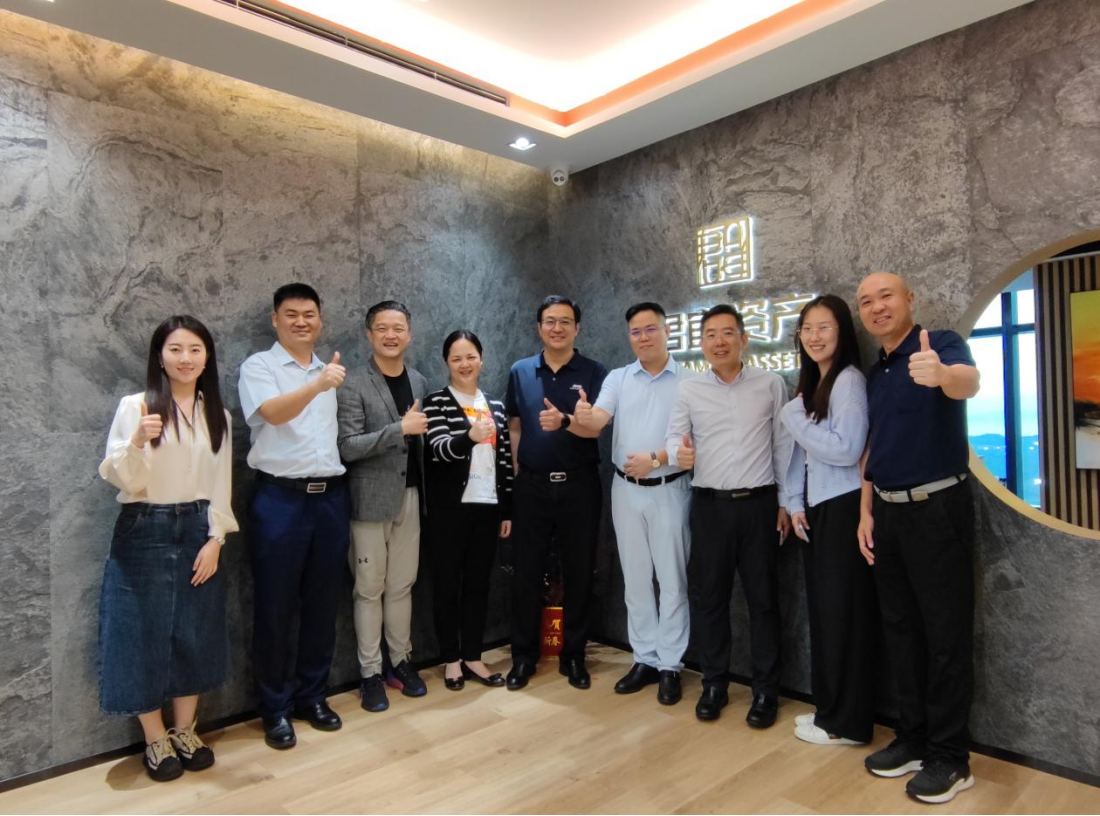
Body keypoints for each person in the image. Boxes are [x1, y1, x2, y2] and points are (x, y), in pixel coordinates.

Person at [855, 272, 981, 804]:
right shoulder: (876, 370)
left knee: (945, 636)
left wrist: (943, 374)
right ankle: (912, 737)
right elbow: (874, 444)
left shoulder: (940, 344)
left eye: (886, 296)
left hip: (938, 510)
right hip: (887, 513)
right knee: (901, 631)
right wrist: (866, 511)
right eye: (866, 301)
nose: (877, 307)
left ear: (910, 299)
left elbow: (968, 382)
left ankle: (951, 757)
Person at [99, 315, 237, 781]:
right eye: (175, 349)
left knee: (195, 630)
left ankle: (185, 730)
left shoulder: (218, 415)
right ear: (160, 356)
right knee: (140, 632)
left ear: (207, 357)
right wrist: (138, 440)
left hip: (199, 526)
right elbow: (123, 478)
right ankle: (155, 737)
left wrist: (216, 538)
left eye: (195, 349)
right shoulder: (135, 407)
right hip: (145, 525)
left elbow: (221, 483)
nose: (185, 358)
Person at [666, 304, 793, 725]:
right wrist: (679, 454)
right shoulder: (689, 389)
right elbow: (674, 438)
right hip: (710, 507)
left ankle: (766, 692)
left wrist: (785, 502)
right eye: (710, 335)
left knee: (764, 602)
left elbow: (783, 446)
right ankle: (714, 684)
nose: (719, 342)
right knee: (710, 600)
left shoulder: (770, 384)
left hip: (759, 505)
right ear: (701, 343)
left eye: (727, 333)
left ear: (744, 339)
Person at [238, 283, 349, 750]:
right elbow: (273, 413)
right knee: (275, 608)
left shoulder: (330, 369)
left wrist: (324, 380)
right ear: (275, 319)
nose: (301, 321)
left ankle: (312, 697)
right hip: (279, 500)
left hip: (330, 500)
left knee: (323, 605)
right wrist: (317, 386)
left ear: (320, 319)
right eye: (291, 314)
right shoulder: (259, 367)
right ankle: (275, 708)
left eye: (309, 314)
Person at [573, 302, 691, 705]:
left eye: (650, 329)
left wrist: (656, 460)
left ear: (667, 331)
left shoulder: (690, 381)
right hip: (625, 490)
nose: (643, 337)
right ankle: (645, 658)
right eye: (635, 332)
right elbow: (597, 421)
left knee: (672, 580)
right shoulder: (619, 378)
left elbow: (695, 445)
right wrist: (581, 415)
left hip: (671, 488)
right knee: (637, 580)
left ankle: (671, 665)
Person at [780, 295, 876, 747]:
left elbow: (845, 448)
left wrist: (794, 418)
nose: (814, 336)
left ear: (842, 332)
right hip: (821, 508)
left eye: (824, 327)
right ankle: (830, 712)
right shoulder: (818, 382)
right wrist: (795, 502)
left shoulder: (849, 380)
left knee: (844, 618)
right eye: (807, 328)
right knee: (827, 616)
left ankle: (847, 724)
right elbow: (806, 455)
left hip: (844, 507)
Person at [504, 295, 607, 691]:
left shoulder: (594, 372)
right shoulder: (521, 370)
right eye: (550, 321)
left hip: (580, 484)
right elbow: (515, 426)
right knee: (526, 572)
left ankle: (574, 655)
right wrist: (518, 473)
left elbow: (595, 429)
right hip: (531, 485)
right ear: (539, 327)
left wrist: (566, 421)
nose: (557, 328)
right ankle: (523, 656)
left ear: (577, 328)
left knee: (580, 571)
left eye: (565, 321)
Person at [337, 300, 429, 711]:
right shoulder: (353, 383)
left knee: (402, 586)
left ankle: (401, 662)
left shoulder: (420, 381)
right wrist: (399, 429)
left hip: (411, 497)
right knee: (368, 590)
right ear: (369, 334)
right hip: (369, 502)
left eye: (398, 328)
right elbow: (346, 446)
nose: (391, 335)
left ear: (409, 333)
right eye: (382, 328)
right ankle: (370, 673)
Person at [422, 331, 514, 690]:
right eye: (457, 358)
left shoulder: (496, 405)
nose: (465, 364)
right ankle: (451, 659)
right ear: (447, 363)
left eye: (471, 356)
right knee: (447, 585)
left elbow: (504, 461)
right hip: (449, 511)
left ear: (481, 359)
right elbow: (438, 450)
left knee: (478, 585)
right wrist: (469, 437)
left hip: (487, 507)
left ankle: (473, 656)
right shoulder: (436, 402)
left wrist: (507, 509)